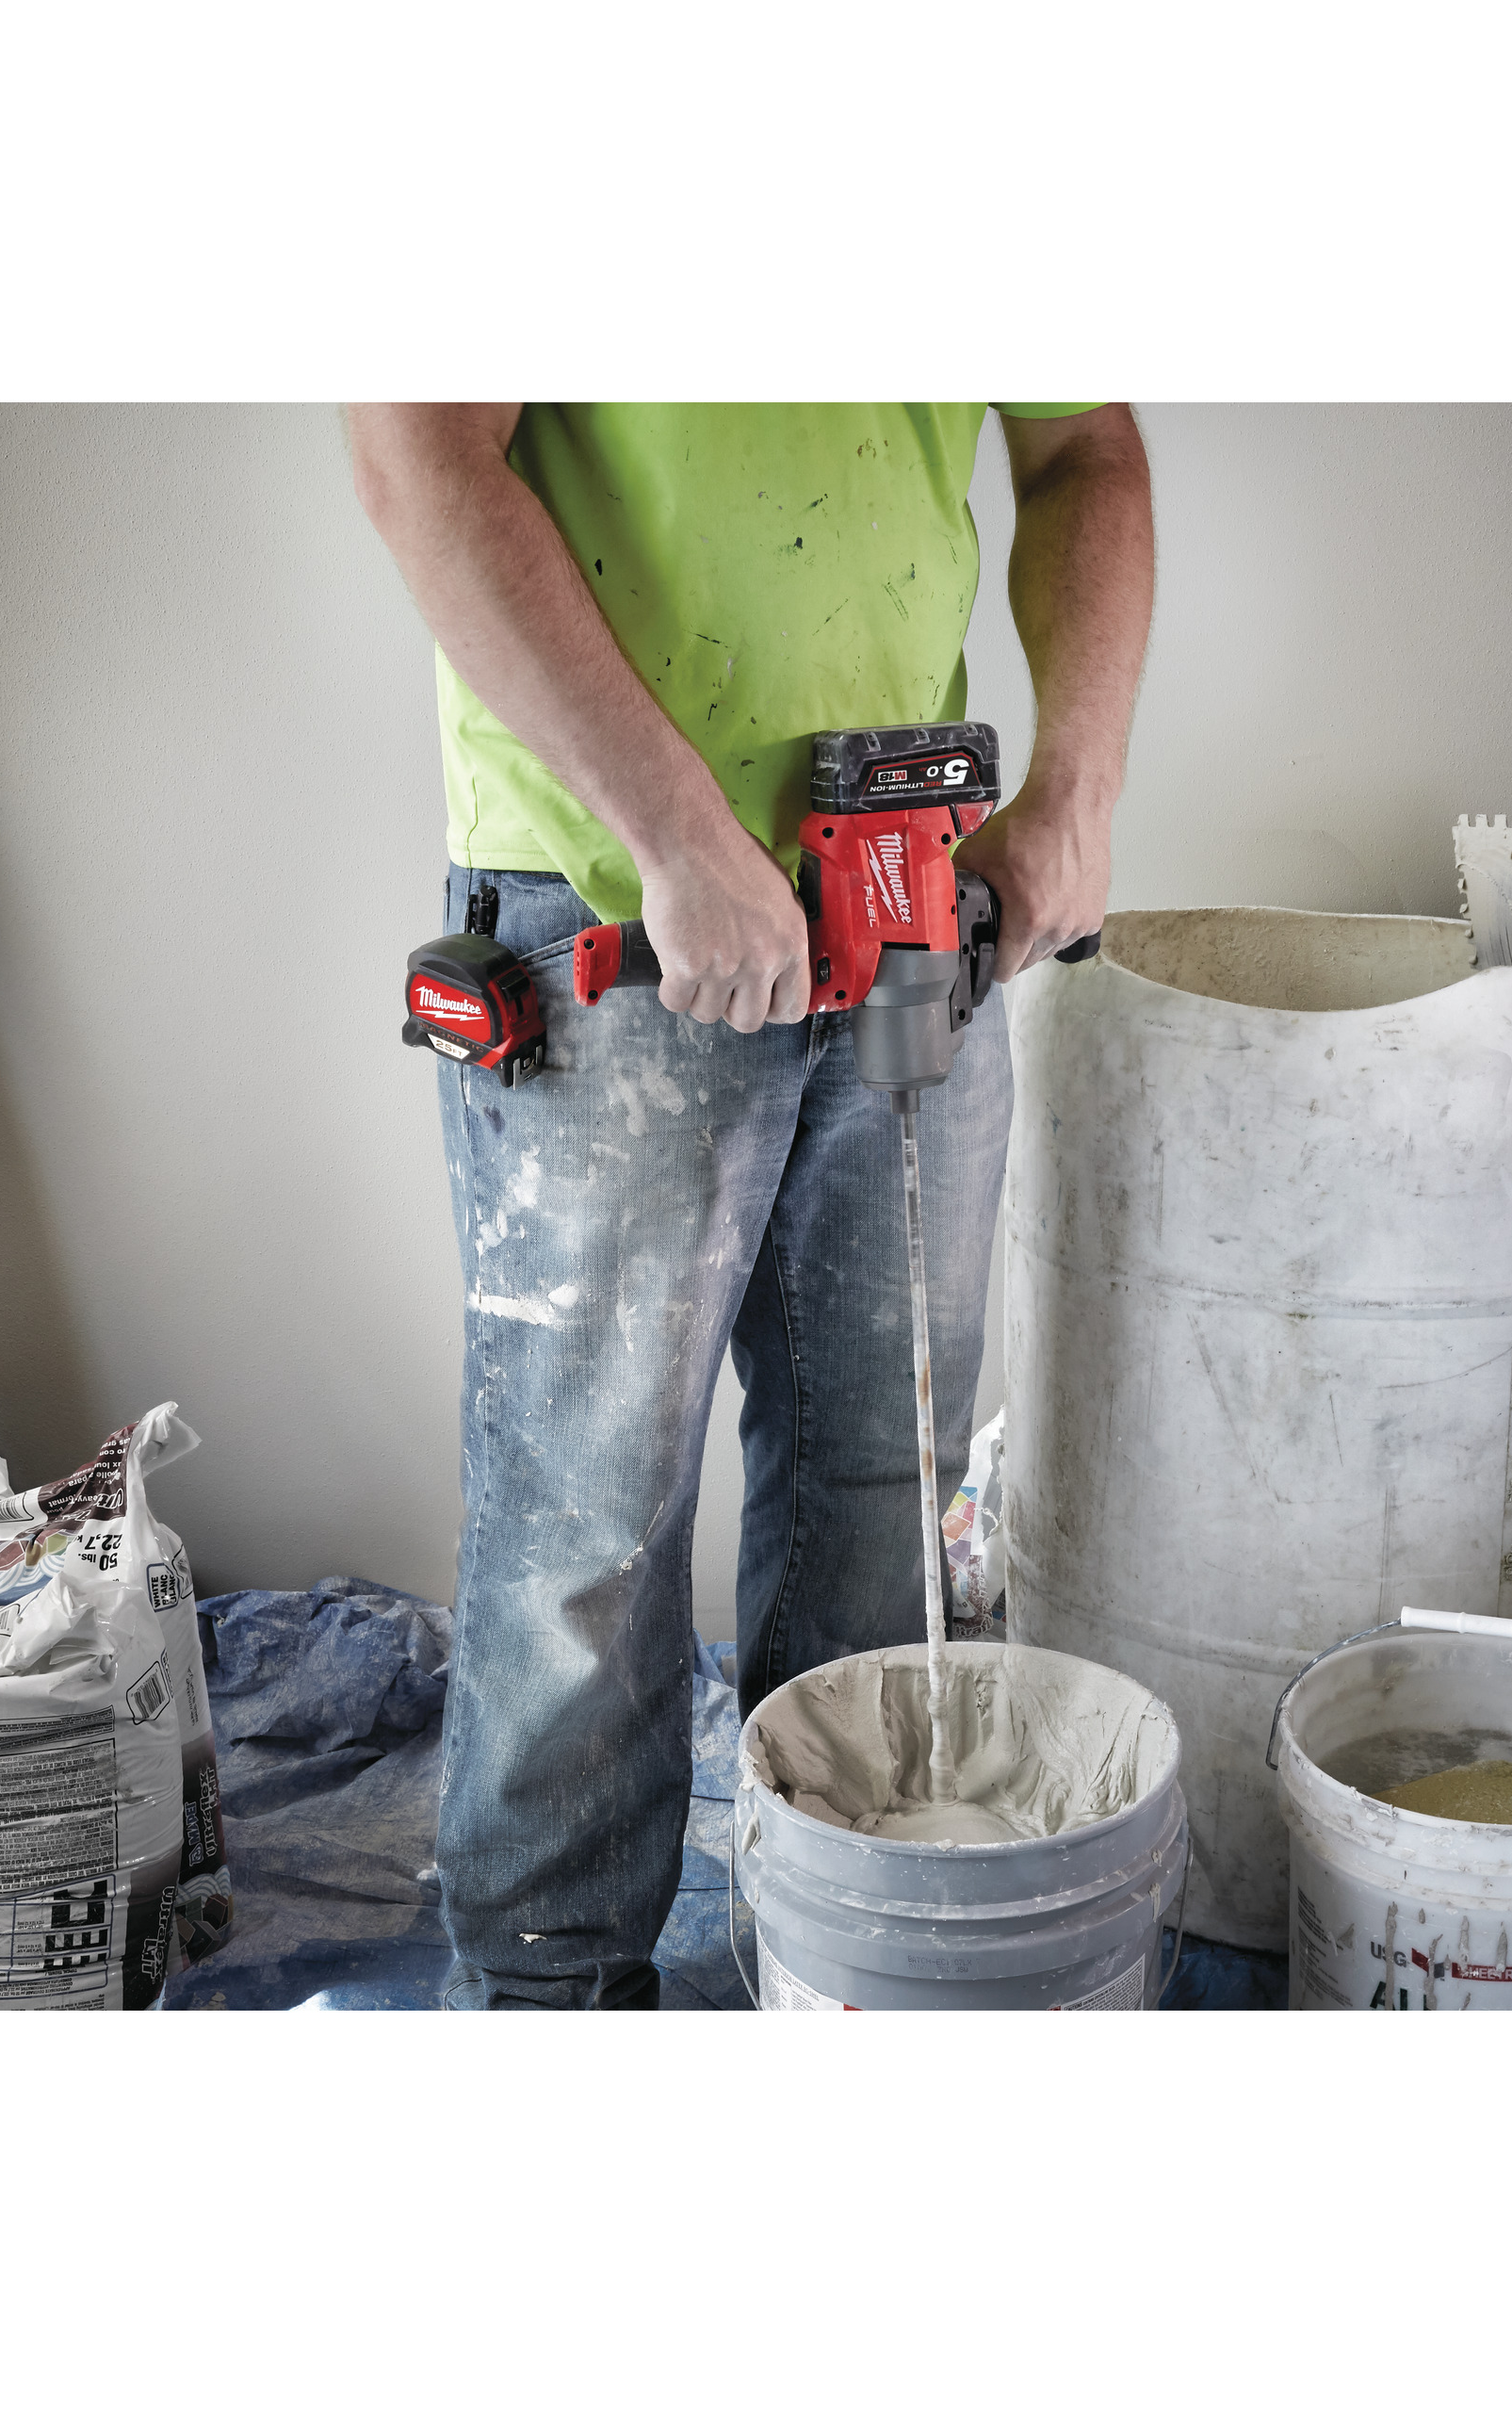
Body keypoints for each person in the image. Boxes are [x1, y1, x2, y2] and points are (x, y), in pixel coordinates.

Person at [348, 403, 1155, 2008]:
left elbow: (1087, 450)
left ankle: (839, 1961)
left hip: (908, 894)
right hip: (617, 907)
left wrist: (1077, 788)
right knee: (586, 1529)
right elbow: (418, 451)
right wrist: (673, 828)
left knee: (882, 1487)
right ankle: (550, 2001)